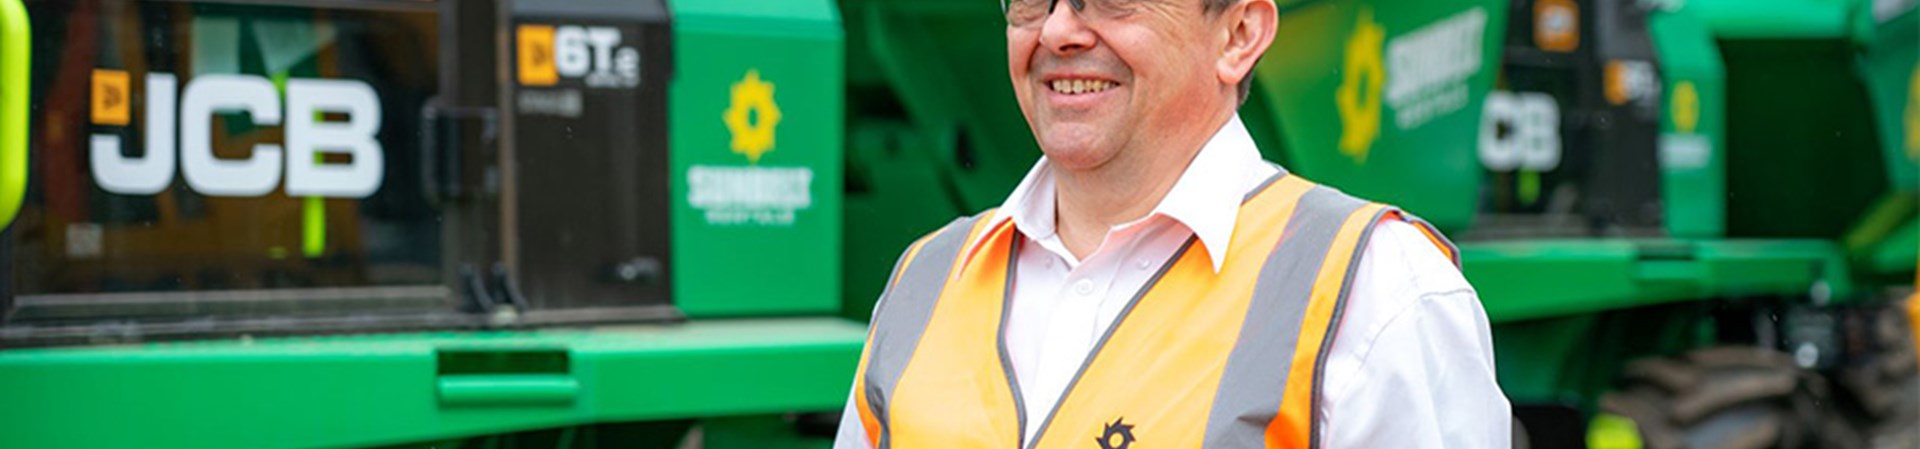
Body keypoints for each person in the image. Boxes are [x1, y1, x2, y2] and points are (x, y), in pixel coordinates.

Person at [834, 0, 1510, 447]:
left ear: (1239, 33)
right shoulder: (926, 278)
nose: (1059, 29)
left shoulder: (1376, 293)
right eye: (1034, 0)